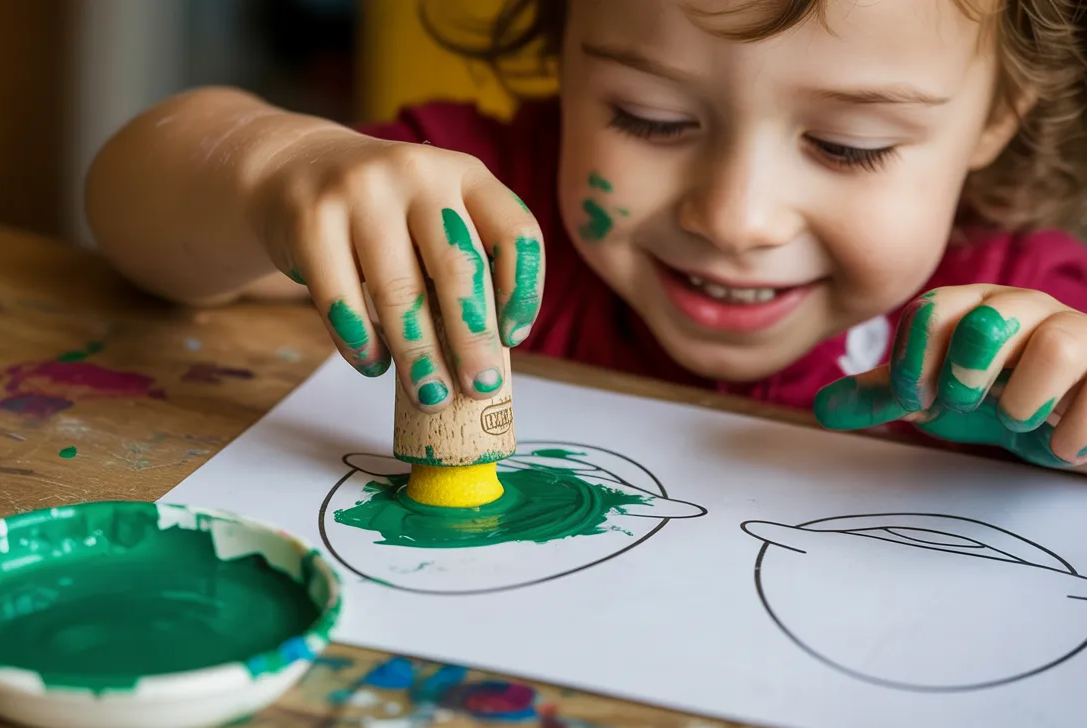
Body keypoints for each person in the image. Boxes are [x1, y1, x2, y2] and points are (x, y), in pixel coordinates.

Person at [84, 0, 1087, 469]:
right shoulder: (478, 214)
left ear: (999, 112)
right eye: (651, 119)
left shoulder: (1029, 305)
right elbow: (134, 213)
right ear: (564, 54)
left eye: (847, 144)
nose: (733, 217)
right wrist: (272, 169)